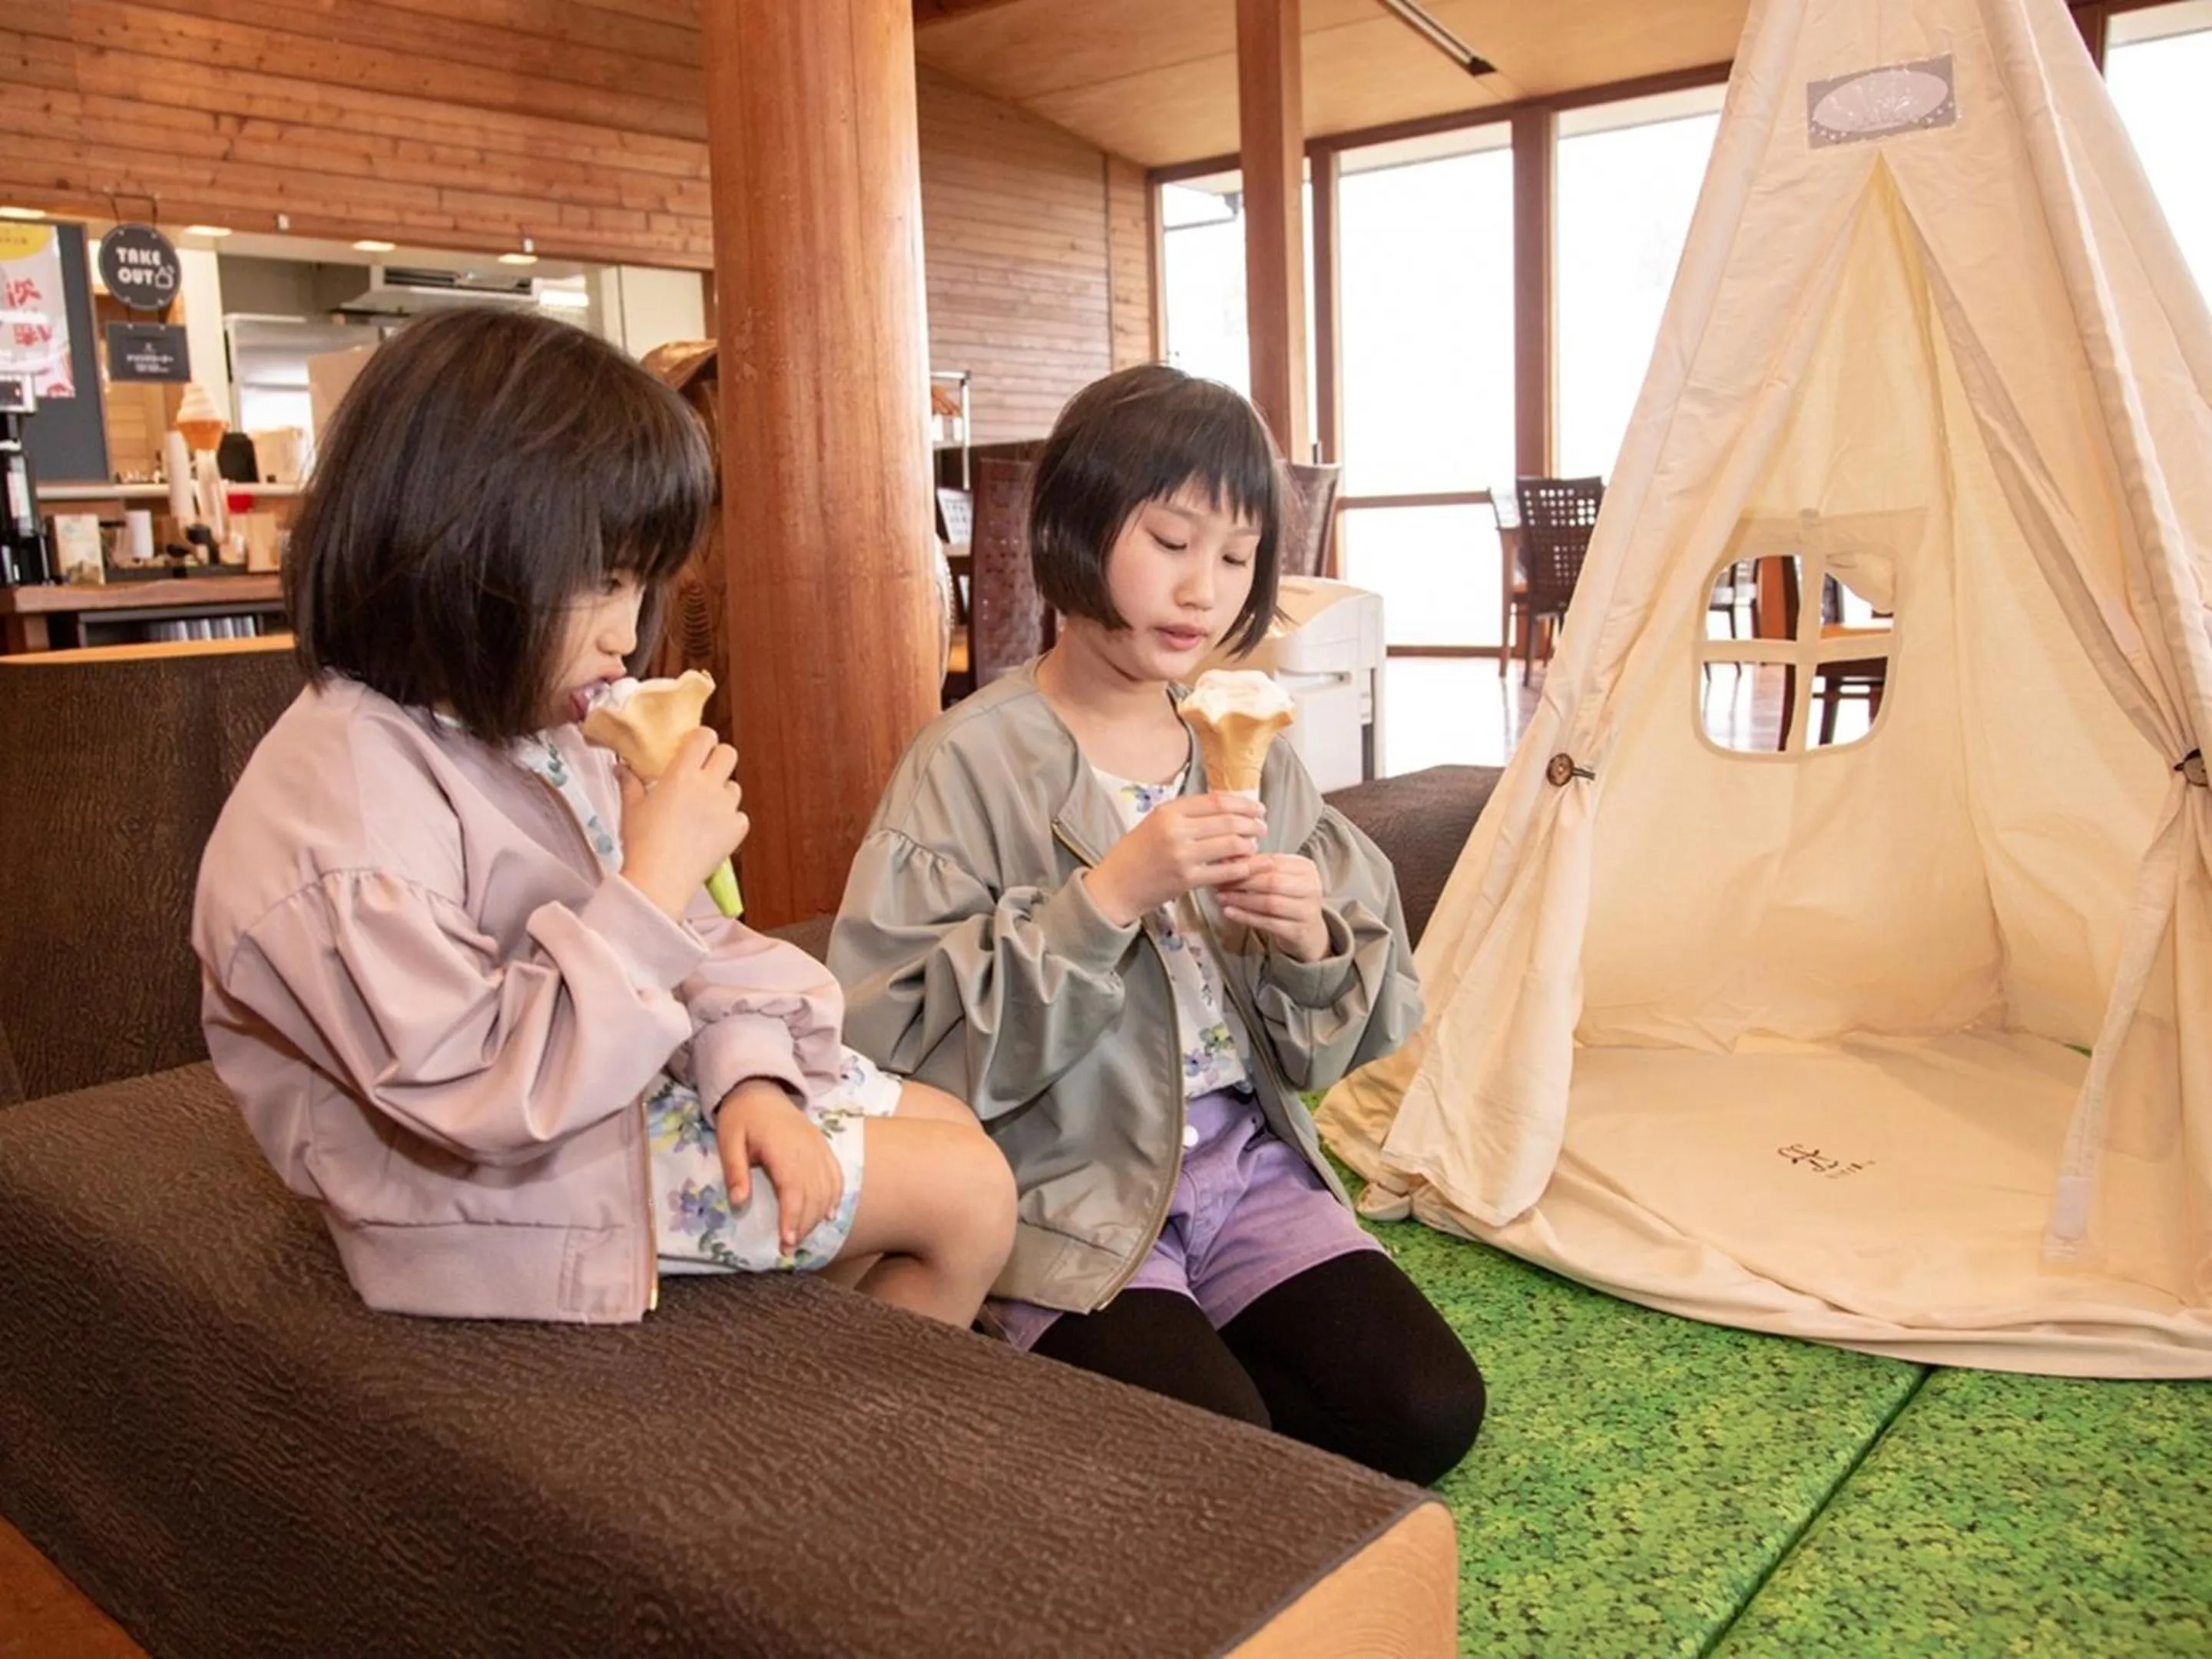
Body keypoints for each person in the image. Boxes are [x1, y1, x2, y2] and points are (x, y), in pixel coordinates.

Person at [192, 306, 1013, 1327]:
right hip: (476, 1193)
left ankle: (809, 1352)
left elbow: (702, 949)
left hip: (598, 1090)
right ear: (460, 545)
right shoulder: (344, 818)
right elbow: (479, 1091)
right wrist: (655, 880)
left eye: (644, 585)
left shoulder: (531, 730)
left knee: (948, 1126)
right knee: (970, 1200)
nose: (629, 636)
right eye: (600, 583)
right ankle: (884, 1437)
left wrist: (748, 1078)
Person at [830, 363, 1485, 1482]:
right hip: (1063, 1181)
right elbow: (890, 1055)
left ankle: (1180, 1391)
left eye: (1235, 558)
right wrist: (1103, 901)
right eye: (1171, 541)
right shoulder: (966, 763)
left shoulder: (1249, 749)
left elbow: (1338, 1034)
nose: (1203, 591)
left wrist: (1310, 941)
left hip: (1245, 1167)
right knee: (1214, 1454)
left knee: (1428, 1412)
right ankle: (1090, 1378)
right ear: (1078, 529)